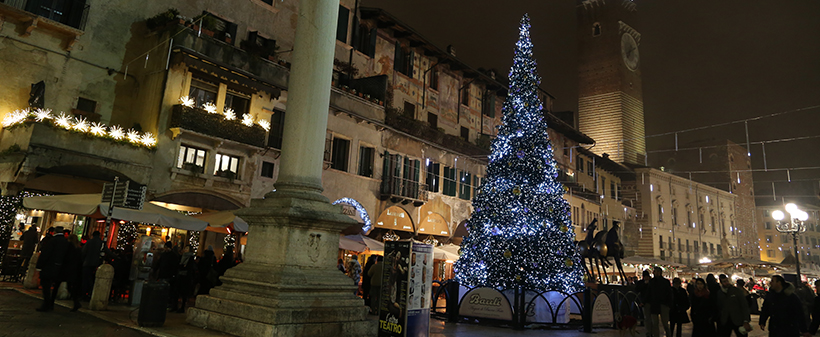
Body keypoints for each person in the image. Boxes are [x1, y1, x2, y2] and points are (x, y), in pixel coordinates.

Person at [35, 226, 70, 311]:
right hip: (60, 268)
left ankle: (46, 304)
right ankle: (51, 304)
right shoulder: (66, 242)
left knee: (46, 286)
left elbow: (46, 254)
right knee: (56, 287)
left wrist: (39, 266)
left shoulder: (52, 241)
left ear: (54, 232)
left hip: (49, 267)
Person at [81, 231, 112, 298]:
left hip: (87, 263)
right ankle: (91, 293)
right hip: (97, 264)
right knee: (93, 279)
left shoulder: (89, 242)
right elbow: (108, 252)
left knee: (85, 279)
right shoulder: (102, 243)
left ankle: (83, 294)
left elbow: (83, 252)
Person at [647, 266, 672, 337]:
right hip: (655, 304)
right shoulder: (651, 282)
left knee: (665, 323)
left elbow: (669, 293)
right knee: (655, 323)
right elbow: (649, 292)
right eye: (655, 272)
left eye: (658, 272)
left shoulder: (665, 282)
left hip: (663, 304)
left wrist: (669, 304)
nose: (656, 273)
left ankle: (668, 335)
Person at [61, 234, 83, 311]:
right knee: (73, 287)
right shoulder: (79, 249)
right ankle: (76, 302)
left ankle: (76, 302)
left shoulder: (70, 248)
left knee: (69, 286)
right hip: (76, 270)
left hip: (69, 269)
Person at [171, 245, 197, 313]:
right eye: (185, 248)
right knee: (176, 291)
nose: (185, 249)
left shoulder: (190, 258)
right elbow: (179, 265)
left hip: (186, 278)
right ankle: (175, 306)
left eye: (187, 248)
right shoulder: (181, 256)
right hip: (180, 276)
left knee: (184, 293)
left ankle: (182, 307)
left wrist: (183, 266)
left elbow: (188, 268)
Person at [635, 270, 654, 337]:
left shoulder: (652, 282)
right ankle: (649, 332)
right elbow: (637, 289)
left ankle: (651, 331)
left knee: (652, 318)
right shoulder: (641, 283)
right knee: (648, 318)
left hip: (652, 302)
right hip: (645, 302)